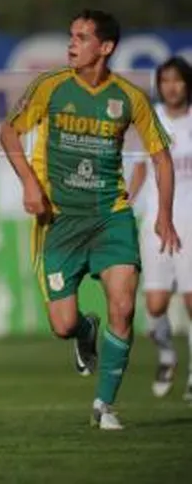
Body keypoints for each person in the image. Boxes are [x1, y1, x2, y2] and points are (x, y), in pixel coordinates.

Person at [0, 11, 181, 430]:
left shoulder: (129, 98)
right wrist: (29, 185)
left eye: (82, 37)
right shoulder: (51, 86)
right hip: (60, 219)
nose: (72, 44)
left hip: (111, 216)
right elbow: (8, 132)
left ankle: (105, 405)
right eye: (71, 36)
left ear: (106, 47)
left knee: (123, 306)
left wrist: (164, 216)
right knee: (62, 325)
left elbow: (161, 157)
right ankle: (84, 331)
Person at [127, 56, 192, 400]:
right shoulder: (150, 119)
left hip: (190, 221)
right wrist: (126, 201)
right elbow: (141, 167)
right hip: (156, 222)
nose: (172, 87)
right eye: (165, 80)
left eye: (177, 80)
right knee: (154, 305)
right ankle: (167, 356)